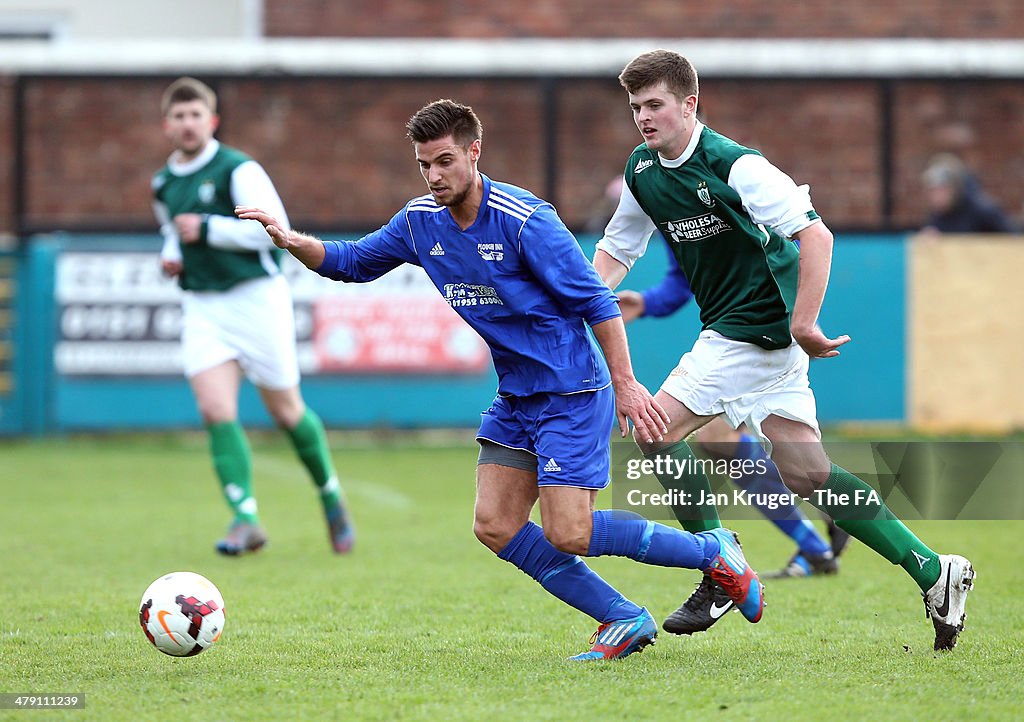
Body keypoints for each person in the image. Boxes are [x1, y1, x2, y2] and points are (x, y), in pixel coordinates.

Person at [238, 98, 766, 661]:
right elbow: (351, 262)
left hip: (570, 392)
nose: (434, 176)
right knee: (495, 525)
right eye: (424, 165)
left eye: (444, 162)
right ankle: (622, 617)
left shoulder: (526, 220)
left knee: (570, 531)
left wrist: (628, 383)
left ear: (474, 152)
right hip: (517, 396)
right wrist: (294, 241)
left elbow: (598, 303)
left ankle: (712, 551)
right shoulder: (420, 223)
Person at [593, 50, 974, 651]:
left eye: (656, 105)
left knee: (651, 427)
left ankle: (721, 567)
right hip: (751, 335)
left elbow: (814, 234)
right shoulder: (643, 171)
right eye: (636, 107)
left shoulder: (737, 166)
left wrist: (805, 322)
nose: (644, 117)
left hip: (751, 333)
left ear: (690, 104)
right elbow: (618, 249)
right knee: (807, 473)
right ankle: (934, 569)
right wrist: (585, 299)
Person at [151, 77, 354, 556]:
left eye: (195, 114)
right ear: (167, 125)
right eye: (178, 116)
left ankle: (330, 493)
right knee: (214, 410)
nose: (187, 123)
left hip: (256, 299)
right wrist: (172, 252)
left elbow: (274, 231)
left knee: (286, 412)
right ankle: (245, 517)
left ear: (212, 120)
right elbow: (171, 230)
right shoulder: (163, 183)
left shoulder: (237, 170)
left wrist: (207, 229)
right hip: (202, 303)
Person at [617, 243, 851, 584]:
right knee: (726, 442)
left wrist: (796, 318)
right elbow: (680, 283)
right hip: (737, 335)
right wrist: (646, 303)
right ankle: (827, 520)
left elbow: (797, 242)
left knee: (730, 440)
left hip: (764, 331)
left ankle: (828, 522)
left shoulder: (725, 193)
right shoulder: (670, 209)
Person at [920, 152, 1017, 234]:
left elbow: (1011, 240)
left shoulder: (983, 211)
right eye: (932, 191)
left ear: (954, 189)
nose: (937, 197)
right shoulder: (936, 217)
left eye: (942, 190)